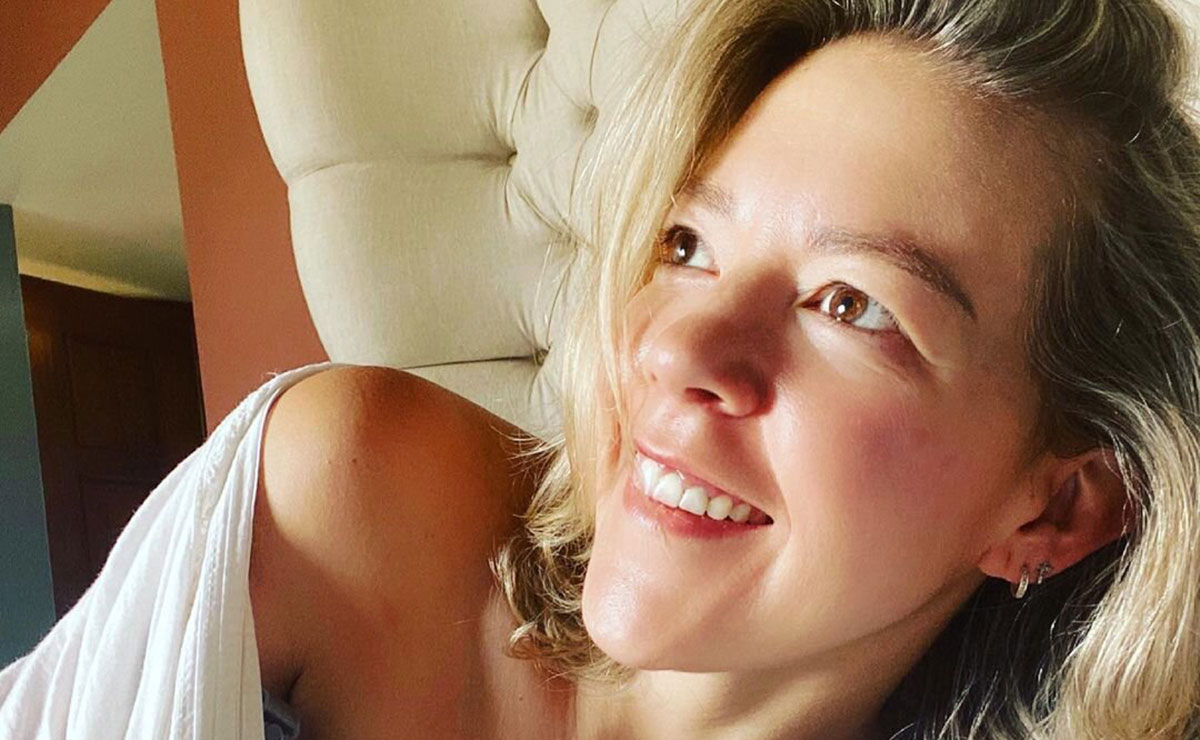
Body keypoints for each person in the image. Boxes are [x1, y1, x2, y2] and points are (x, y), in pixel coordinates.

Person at [5, 0, 1197, 738]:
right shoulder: (354, 500)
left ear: (1056, 505)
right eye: (686, 245)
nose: (672, 347)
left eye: (852, 304)